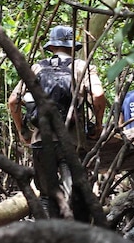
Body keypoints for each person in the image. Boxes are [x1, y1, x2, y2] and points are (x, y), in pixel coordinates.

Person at [8, 25, 106, 219]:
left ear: (51, 47)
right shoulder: (81, 67)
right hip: (72, 140)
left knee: (45, 195)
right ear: (72, 47)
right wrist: (98, 123)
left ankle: (47, 240)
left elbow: (13, 101)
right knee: (76, 193)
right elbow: (98, 95)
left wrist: (22, 130)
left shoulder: (36, 68)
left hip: (41, 141)